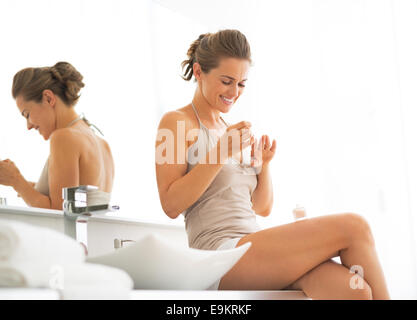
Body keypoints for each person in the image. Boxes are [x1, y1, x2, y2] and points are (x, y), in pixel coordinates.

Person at [154, 29, 390, 299]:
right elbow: (170, 205)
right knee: (355, 227)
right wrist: (219, 154)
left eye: (241, 84)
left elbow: (261, 208)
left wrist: (264, 166)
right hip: (216, 258)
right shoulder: (175, 123)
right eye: (227, 81)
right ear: (198, 72)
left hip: (253, 249)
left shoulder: (230, 130)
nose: (234, 92)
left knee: (354, 290)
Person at [0, 62, 114, 210]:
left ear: (48, 98)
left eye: (27, 114)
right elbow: (79, 202)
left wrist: (17, 181)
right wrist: (28, 186)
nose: (28, 126)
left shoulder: (63, 137)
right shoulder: (102, 144)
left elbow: (59, 213)